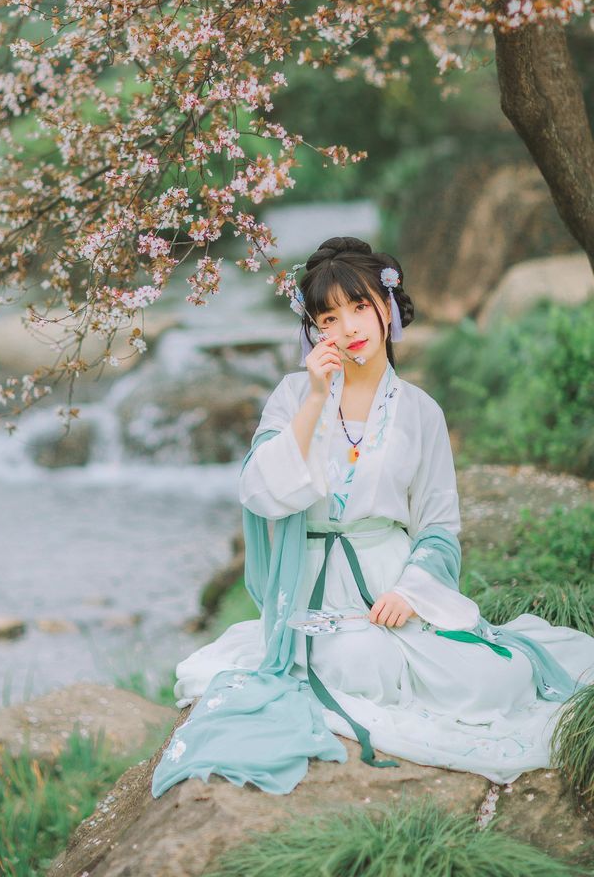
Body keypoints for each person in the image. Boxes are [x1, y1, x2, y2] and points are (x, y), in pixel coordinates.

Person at [151, 236, 594, 797]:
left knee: (495, 678)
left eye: (360, 306)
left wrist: (411, 591)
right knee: (361, 662)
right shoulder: (292, 394)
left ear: (387, 307)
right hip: (312, 588)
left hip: (392, 584)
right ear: (315, 329)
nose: (349, 327)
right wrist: (315, 397)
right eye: (329, 316)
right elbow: (260, 491)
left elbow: (438, 524)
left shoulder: (419, 411)